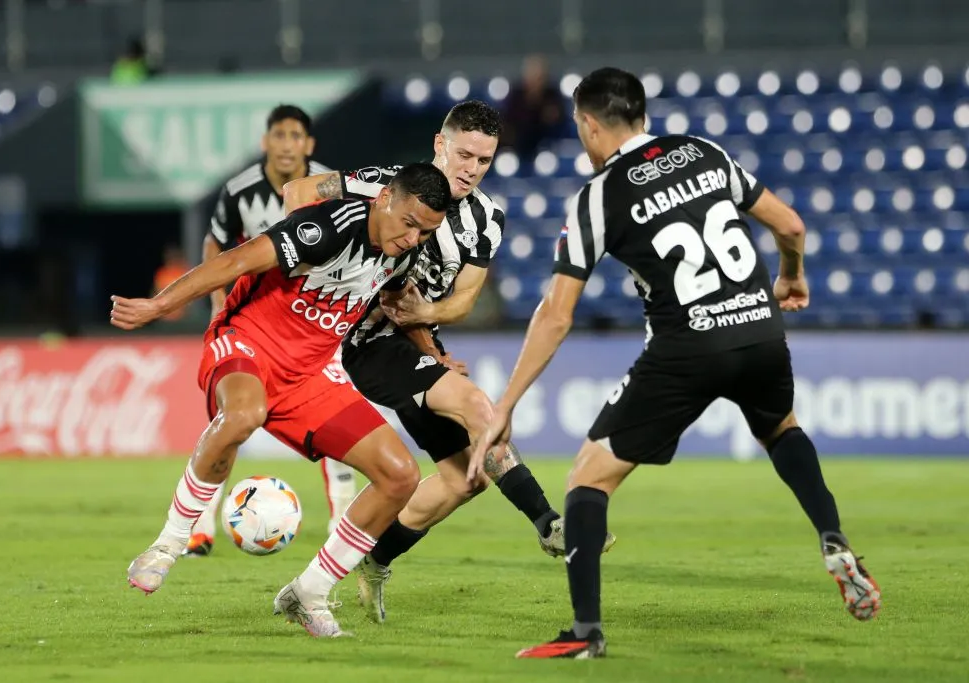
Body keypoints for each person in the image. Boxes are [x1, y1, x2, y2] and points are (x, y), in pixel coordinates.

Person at [471, 67, 882, 659]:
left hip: (687, 345)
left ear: (588, 125)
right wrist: (789, 275)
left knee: (587, 477)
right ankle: (834, 538)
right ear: (643, 115)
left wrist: (506, 404)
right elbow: (790, 224)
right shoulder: (705, 152)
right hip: (761, 331)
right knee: (781, 428)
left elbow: (556, 314)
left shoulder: (598, 195)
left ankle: (585, 634)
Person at [282, 100, 614, 624]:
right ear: (440, 143)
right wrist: (315, 258)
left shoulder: (487, 219)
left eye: (483, 161)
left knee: (466, 479)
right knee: (476, 404)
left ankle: (375, 557)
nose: (471, 168)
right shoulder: (387, 186)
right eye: (463, 154)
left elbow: (463, 300)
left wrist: (428, 319)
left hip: (415, 343)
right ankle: (551, 522)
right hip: (362, 340)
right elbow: (299, 193)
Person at [112, 163, 452, 638]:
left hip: (308, 374)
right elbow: (235, 262)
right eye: (409, 223)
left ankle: (309, 593)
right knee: (244, 415)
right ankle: (167, 546)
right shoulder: (328, 227)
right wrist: (159, 305)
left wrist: (437, 356)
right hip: (248, 342)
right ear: (384, 199)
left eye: (426, 231)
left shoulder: (401, 254)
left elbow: (398, 303)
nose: (414, 238)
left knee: (401, 475)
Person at [189, 104, 351, 557]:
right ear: (265, 142)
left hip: (315, 322)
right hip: (255, 321)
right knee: (230, 423)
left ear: (309, 144)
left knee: (337, 420)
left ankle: (345, 521)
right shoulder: (240, 190)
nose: (286, 144)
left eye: (295, 136)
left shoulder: (331, 185)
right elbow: (215, 242)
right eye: (278, 135)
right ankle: (198, 527)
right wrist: (219, 303)